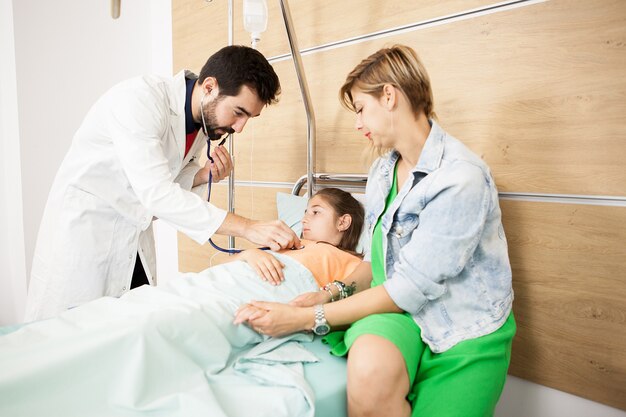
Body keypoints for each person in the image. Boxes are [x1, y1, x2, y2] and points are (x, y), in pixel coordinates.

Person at [235, 45, 516, 417]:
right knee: (368, 373)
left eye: (360, 109)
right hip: (400, 316)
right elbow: (377, 261)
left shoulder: (461, 179)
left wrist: (305, 319)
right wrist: (331, 293)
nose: (357, 123)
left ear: (389, 96)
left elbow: (408, 288)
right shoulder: (385, 171)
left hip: (461, 330)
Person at [0, 188, 366, 417]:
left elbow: (353, 291)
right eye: (304, 211)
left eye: (315, 211)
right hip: (221, 282)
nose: (303, 218)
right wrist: (247, 257)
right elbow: (218, 268)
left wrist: (325, 293)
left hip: (260, 296)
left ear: (344, 221)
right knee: (131, 310)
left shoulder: (351, 262)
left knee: (151, 327)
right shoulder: (288, 244)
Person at [25, 45, 300, 322]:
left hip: (132, 236)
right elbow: (157, 193)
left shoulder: (203, 125)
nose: (240, 128)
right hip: (87, 233)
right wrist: (249, 228)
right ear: (209, 87)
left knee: (127, 328)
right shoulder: (140, 100)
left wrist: (205, 175)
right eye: (239, 112)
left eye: (249, 118)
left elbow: (169, 181)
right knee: (66, 335)